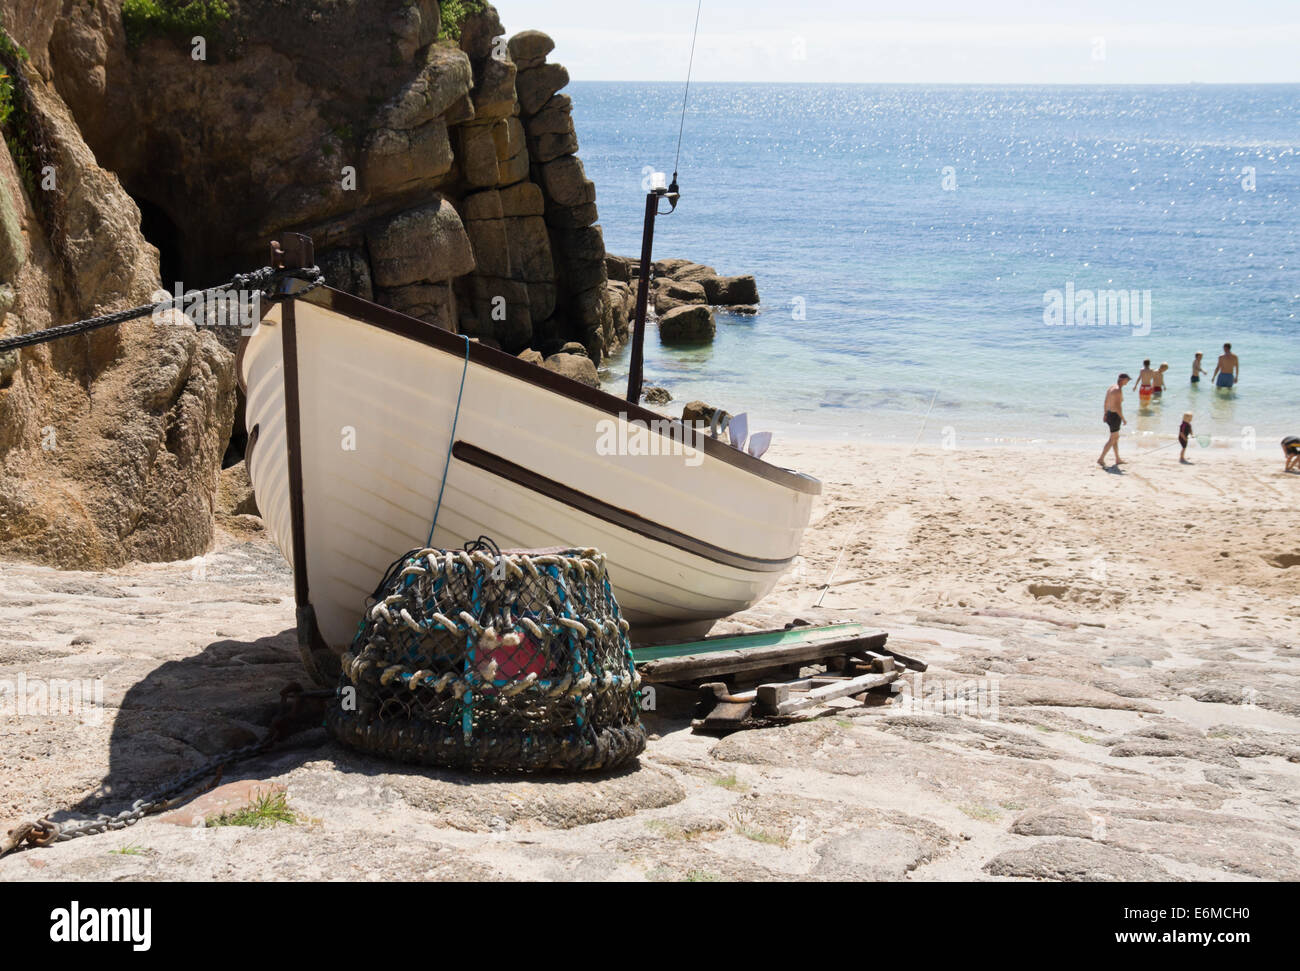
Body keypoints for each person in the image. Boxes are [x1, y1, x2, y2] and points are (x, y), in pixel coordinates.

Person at [1099, 373, 1129, 468]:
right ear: (1122, 380)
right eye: (1127, 380)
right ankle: (1101, 458)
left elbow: (1106, 401)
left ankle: (1117, 459)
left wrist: (1105, 414)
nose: (1128, 382)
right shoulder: (1118, 391)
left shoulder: (1112, 387)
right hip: (1115, 416)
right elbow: (1118, 407)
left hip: (1109, 414)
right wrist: (1123, 418)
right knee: (1113, 439)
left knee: (1115, 438)